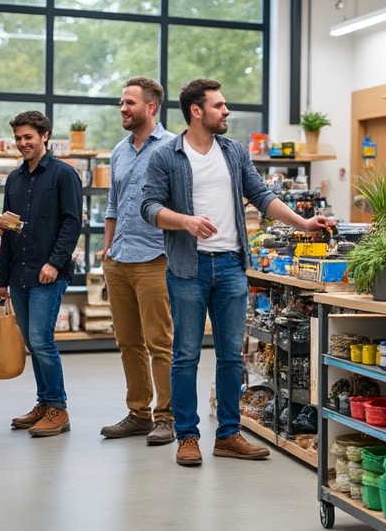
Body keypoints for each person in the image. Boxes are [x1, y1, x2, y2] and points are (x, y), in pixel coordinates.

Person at [142, 78, 334, 467]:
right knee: (186, 355)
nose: (226, 111)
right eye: (219, 105)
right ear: (196, 111)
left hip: (231, 265)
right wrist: (185, 221)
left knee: (231, 356)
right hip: (187, 267)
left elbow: (262, 196)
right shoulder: (166, 155)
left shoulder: (233, 152)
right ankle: (188, 436)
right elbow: (148, 207)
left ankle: (229, 434)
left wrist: (303, 223)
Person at [0, 111, 83, 438]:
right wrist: (2, 280)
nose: (22, 144)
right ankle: (44, 403)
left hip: (48, 273)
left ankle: (58, 409)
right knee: (34, 343)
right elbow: (8, 229)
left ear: (44, 135)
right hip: (19, 274)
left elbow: (72, 222)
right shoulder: (14, 179)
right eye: (18, 138)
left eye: (28, 137)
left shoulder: (64, 175)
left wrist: (55, 262)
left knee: (41, 340)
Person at [99, 77, 174, 445]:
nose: (123, 109)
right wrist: (106, 249)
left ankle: (167, 417)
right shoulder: (119, 151)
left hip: (155, 258)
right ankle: (138, 413)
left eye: (129, 103)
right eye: (121, 103)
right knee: (128, 342)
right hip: (120, 258)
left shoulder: (174, 148)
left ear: (151, 107)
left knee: (160, 342)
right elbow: (114, 205)